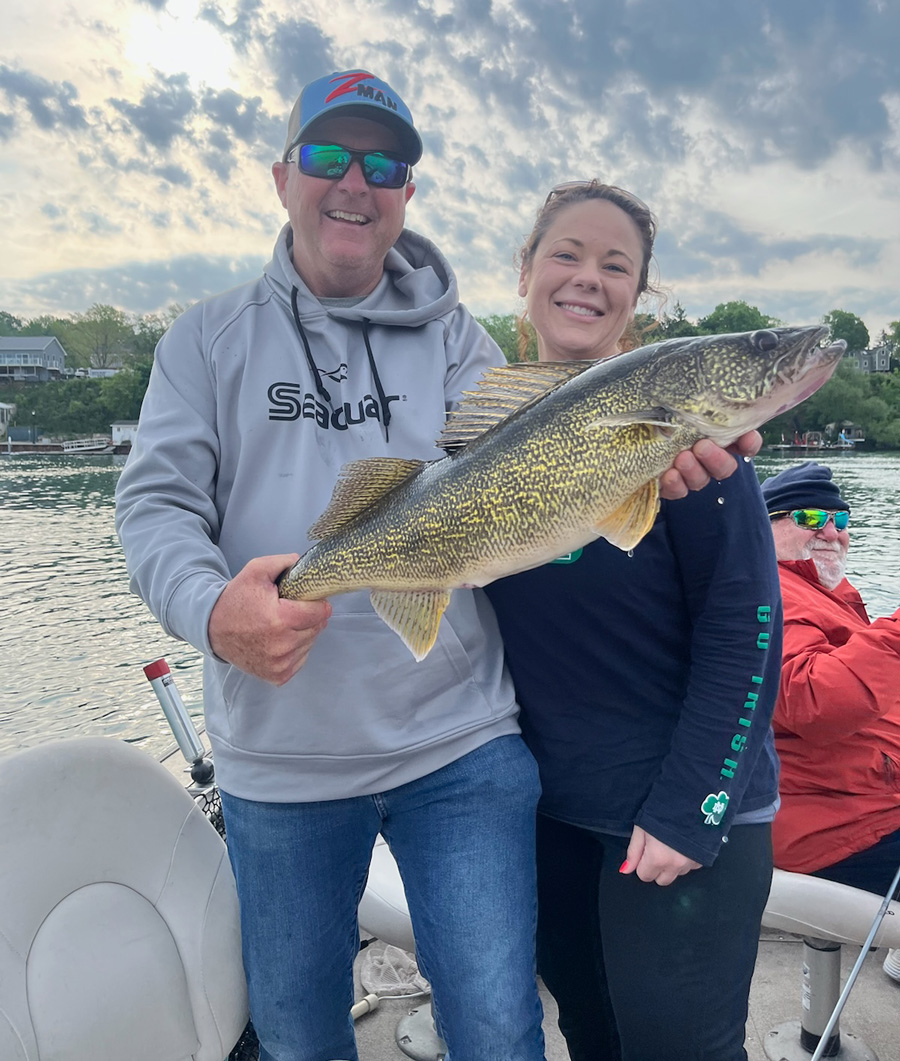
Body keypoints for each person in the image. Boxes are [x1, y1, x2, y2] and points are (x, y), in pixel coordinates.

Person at [115, 72, 759, 1061]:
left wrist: (668, 442)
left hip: (462, 748)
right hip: (279, 761)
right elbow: (155, 507)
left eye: (386, 164)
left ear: (407, 191)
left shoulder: (463, 347)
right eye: (329, 157)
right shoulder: (205, 340)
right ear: (284, 175)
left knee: (501, 1028)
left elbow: (534, 475)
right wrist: (211, 612)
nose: (355, 182)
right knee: (294, 1033)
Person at [486, 180, 783, 1061]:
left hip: (682, 809)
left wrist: (696, 804)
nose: (587, 278)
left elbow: (750, 627)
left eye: (616, 266)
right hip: (553, 811)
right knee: (593, 1036)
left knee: (678, 1048)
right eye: (566, 254)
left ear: (638, 294)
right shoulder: (480, 429)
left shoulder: (688, 440)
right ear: (528, 272)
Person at [760, 461, 900, 979]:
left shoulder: (824, 593)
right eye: (810, 516)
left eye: (841, 519)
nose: (831, 531)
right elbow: (812, 698)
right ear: (762, 526)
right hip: (834, 825)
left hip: (865, 799)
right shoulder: (768, 592)